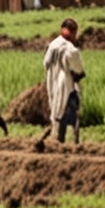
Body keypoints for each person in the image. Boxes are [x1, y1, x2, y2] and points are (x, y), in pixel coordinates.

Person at [41, 18, 86, 146]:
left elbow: (45, 64)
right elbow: (78, 70)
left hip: (52, 82)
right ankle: (73, 142)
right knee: (72, 113)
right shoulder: (71, 49)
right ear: (72, 33)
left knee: (56, 111)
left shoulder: (52, 45)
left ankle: (59, 139)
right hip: (67, 85)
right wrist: (79, 74)